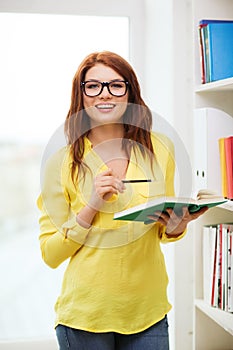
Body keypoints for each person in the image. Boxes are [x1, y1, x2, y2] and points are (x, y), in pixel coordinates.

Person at [37, 51, 207, 350]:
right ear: (81, 95)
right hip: (85, 315)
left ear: (130, 92)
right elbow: (50, 254)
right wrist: (91, 206)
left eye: (116, 85)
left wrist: (177, 224)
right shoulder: (60, 162)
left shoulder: (160, 148)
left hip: (148, 310)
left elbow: (162, 234)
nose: (105, 94)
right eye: (93, 86)